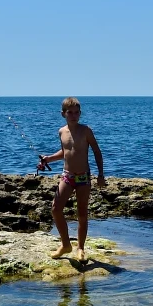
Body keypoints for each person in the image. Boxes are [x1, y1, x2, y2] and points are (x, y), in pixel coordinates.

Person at [37, 97, 106, 261]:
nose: (73, 115)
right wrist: (48, 159)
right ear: (63, 114)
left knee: (82, 213)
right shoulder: (62, 131)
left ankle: (80, 248)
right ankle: (65, 244)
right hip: (67, 176)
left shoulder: (86, 130)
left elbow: (97, 151)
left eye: (76, 113)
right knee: (55, 209)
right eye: (70, 113)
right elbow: (65, 152)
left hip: (83, 177)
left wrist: (101, 175)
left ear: (80, 113)